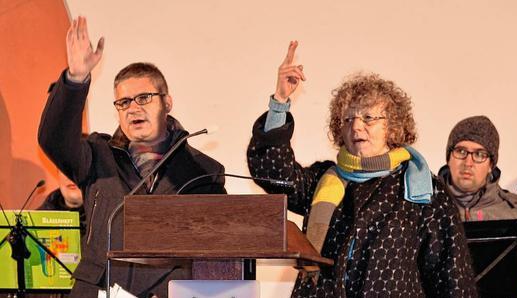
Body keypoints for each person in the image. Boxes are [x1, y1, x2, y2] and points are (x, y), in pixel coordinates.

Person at [247, 41, 477, 297]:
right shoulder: (323, 179)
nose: (356, 127)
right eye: (348, 119)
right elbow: (272, 172)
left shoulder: (422, 192)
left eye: (368, 118)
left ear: (393, 126)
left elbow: (454, 279)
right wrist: (280, 101)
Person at [38, 16, 226, 298]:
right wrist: (75, 80)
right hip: (99, 290)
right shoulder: (97, 155)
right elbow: (53, 139)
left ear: (167, 102)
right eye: (123, 102)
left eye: (144, 98)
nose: (133, 108)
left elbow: (216, 251)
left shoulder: (202, 170)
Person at [438, 116, 517, 221]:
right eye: (461, 151)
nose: (468, 163)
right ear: (448, 158)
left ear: (491, 165)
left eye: (479, 154)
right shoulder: (424, 211)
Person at [39, 169, 86, 236]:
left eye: (77, 168)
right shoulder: (36, 221)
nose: (70, 176)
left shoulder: (104, 222)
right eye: (64, 169)